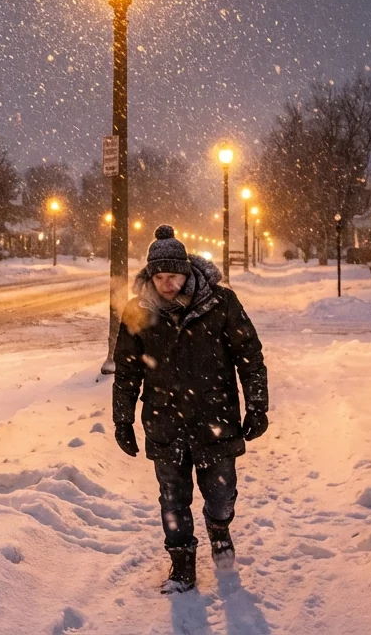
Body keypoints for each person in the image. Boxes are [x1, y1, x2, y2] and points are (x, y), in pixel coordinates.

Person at [113, 225, 268, 594]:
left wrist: (257, 405)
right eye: (159, 277)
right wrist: (123, 420)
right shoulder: (138, 311)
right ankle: (182, 564)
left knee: (221, 494)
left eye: (174, 276)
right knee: (172, 498)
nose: (167, 284)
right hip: (164, 421)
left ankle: (219, 528)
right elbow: (127, 369)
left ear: (187, 271)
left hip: (216, 418)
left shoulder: (221, 303)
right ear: (151, 276)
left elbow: (249, 356)